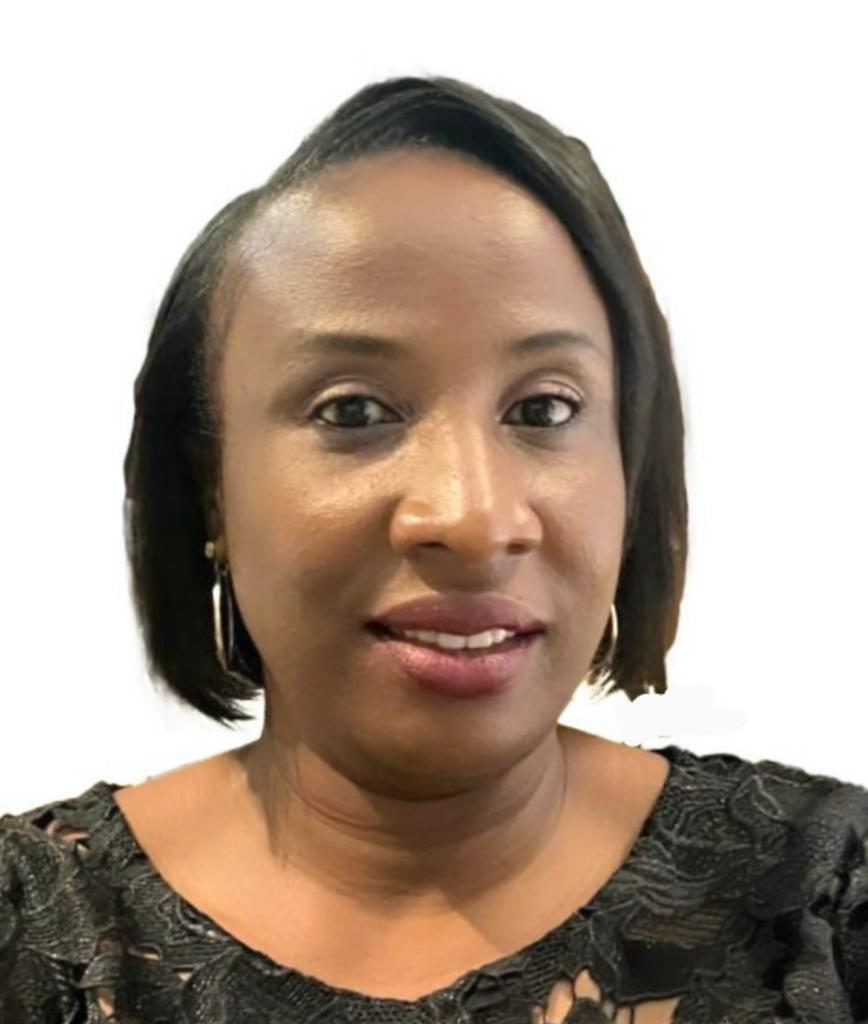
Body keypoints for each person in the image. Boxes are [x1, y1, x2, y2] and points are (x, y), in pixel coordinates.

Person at [1, 74, 866, 1024]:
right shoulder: (33, 932)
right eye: (352, 411)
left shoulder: (828, 903)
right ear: (211, 482)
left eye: (545, 409)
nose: (473, 517)